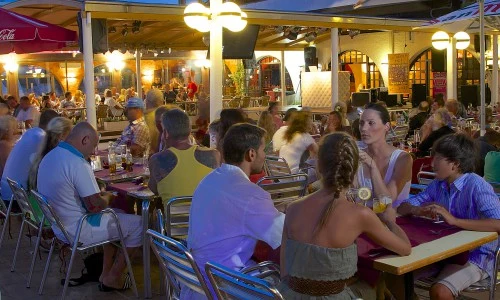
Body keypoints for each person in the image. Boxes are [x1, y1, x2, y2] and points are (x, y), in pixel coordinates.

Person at [278, 133, 411, 299]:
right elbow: (405, 249)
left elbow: (284, 270)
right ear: (354, 169)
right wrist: (391, 222)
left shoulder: (293, 208)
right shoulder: (360, 214)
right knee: (379, 283)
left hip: (288, 295)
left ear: (318, 166)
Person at [37, 122, 142, 291]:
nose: (93, 152)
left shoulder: (51, 156)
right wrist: (107, 197)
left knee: (120, 213)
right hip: (78, 230)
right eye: (93, 146)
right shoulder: (78, 163)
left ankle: (105, 273)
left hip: (59, 226)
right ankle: (113, 277)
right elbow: (95, 207)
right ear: (85, 140)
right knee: (139, 224)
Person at [185, 123, 284, 299]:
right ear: (251, 154)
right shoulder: (250, 195)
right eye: (263, 150)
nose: (265, 155)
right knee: (287, 280)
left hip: (195, 278)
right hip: (224, 284)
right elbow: (283, 234)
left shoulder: (208, 180)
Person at [398, 133, 500, 299]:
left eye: (437, 159)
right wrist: (417, 210)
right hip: (444, 251)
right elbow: (403, 207)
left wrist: (454, 221)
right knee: (396, 277)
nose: (432, 164)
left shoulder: (477, 185)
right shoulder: (439, 184)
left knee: (440, 291)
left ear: (455, 164)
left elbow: (498, 224)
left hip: (477, 256)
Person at [148, 109, 220, 206]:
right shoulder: (213, 155)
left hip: (173, 220)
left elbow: (153, 189)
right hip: (206, 219)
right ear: (189, 131)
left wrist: (165, 148)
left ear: (166, 133)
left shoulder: (157, 160)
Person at [356, 103, 412, 207]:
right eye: (361, 123)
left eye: (371, 123)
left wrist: (373, 167)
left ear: (386, 126)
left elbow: (386, 202)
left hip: (392, 220)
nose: (364, 128)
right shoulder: (358, 155)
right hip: (361, 218)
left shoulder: (402, 159)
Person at [0, 109, 58, 206]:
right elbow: (51, 165)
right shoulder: (41, 137)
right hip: (16, 199)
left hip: (6, 193)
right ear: (53, 125)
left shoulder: (30, 133)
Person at [27, 117, 73, 225]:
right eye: (71, 134)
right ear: (62, 136)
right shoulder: (58, 157)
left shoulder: (41, 154)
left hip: (37, 211)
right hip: (52, 217)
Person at [144, 89, 164, 154]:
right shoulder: (169, 116)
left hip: (149, 157)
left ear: (147, 102)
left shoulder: (144, 119)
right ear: (162, 102)